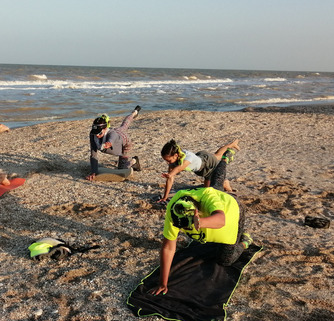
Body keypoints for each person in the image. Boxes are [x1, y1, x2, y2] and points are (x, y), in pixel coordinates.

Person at [150, 159, 252, 295]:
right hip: (212, 199)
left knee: (225, 260)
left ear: (197, 212)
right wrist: (163, 283)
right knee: (216, 185)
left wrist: (201, 223)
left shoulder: (207, 197)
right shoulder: (174, 210)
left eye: (187, 227)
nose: (185, 230)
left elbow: (221, 220)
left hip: (232, 210)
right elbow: (168, 247)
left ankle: (246, 241)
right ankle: (224, 160)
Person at [158, 138, 239, 202]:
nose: (168, 163)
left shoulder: (187, 158)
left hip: (207, 163)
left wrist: (170, 174)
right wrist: (165, 197)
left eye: (169, 160)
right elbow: (170, 179)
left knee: (211, 188)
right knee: (217, 156)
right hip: (201, 164)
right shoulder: (173, 161)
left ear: (176, 155)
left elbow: (179, 168)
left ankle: (227, 185)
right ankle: (231, 145)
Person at [86, 106, 142, 181]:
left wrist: (109, 143)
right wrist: (94, 172)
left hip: (125, 143)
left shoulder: (112, 134)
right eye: (95, 133)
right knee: (125, 124)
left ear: (105, 129)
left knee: (121, 168)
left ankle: (134, 161)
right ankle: (134, 112)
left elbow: (112, 138)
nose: (97, 135)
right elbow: (93, 155)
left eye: (99, 133)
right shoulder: (93, 134)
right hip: (118, 131)